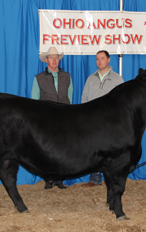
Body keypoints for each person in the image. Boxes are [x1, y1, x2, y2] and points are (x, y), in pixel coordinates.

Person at [31, 46, 74, 189]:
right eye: (51, 58)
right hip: (46, 120)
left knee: (63, 150)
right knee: (46, 150)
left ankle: (59, 178)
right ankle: (48, 178)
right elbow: (34, 101)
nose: (54, 60)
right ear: (46, 60)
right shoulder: (38, 79)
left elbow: (70, 98)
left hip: (64, 119)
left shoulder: (67, 76)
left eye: (56, 57)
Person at [81, 50, 124, 187]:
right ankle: (95, 178)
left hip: (110, 121)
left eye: (102, 58)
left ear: (109, 60)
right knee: (93, 149)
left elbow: (123, 100)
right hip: (93, 120)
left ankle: (112, 177)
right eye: (97, 59)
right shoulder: (90, 78)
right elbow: (85, 99)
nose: (99, 61)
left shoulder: (117, 78)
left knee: (111, 149)